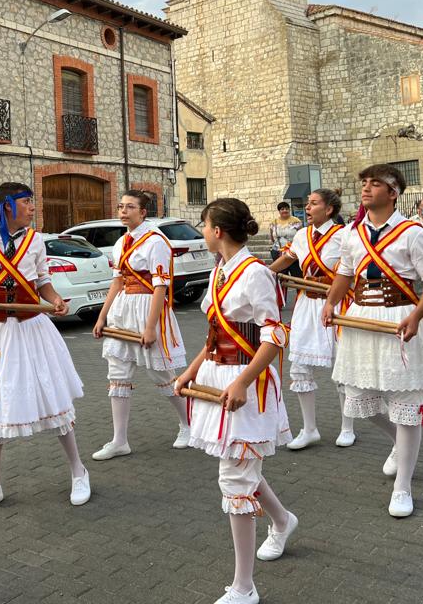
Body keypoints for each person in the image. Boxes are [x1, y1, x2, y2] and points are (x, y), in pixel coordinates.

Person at [175, 198, 294, 604]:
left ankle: (245, 587)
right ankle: (282, 519)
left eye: (204, 225)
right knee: (240, 466)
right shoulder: (219, 270)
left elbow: (275, 335)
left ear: (218, 231)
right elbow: (216, 334)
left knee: (235, 477)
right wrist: (192, 370)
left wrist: (243, 381)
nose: (202, 231)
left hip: (247, 383)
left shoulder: (255, 273)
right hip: (216, 375)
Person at [0, 182, 89, 507]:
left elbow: (43, 282)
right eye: (27, 202)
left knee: (53, 399)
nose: (33, 208)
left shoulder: (36, 241)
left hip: (32, 330)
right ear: (7, 207)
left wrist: (56, 300)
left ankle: (78, 471)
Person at [321, 164, 423, 518]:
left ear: (393, 193)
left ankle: (403, 486)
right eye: (364, 182)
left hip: (399, 318)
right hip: (360, 319)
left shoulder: (413, 232)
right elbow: (345, 273)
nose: (367, 188)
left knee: (406, 406)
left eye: (376, 183)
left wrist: (417, 315)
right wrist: (330, 302)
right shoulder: (352, 233)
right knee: (358, 399)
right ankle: (398, 445)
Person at [92, 190, 189, 459]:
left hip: (148, 308)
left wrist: (150, 327)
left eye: (130, 207)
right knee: (118, 374)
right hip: (123, 309)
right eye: (121, 206)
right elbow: (117, 281)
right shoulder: (121, 242)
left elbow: (161, 287)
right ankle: (119, 440)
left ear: (143, 212)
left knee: (162, 374)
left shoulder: (156, 241)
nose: (123, 211)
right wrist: (102, 316)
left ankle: (188, 424)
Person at [269, 189, 354, 449]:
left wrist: (329, 283)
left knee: (342, 368)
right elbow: (288, 259)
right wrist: (263, 272)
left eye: (313, 203)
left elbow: (352, 270)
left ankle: (347, 427)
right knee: (300, 368)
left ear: (329, 209)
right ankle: (309, 429)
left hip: (335, 304)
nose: (307, 207)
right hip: (306, 305)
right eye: (307, 203)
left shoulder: (344, 235)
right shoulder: (302, 235)